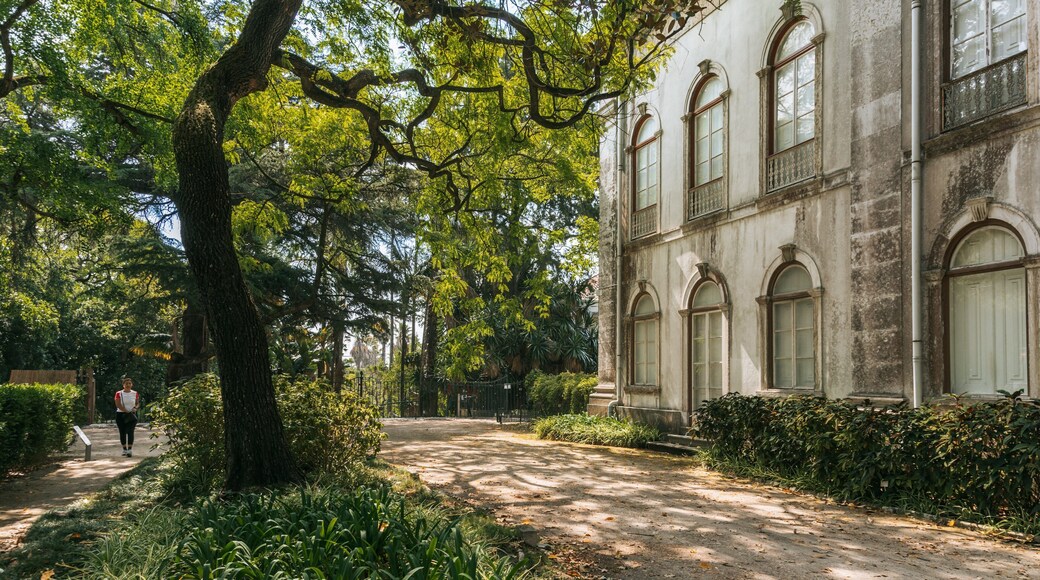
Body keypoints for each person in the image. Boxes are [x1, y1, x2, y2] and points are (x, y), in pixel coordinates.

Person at [114, 376, 141, 457]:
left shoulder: (135, 393)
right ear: (123, 385)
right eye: (126, 383)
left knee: (130, 432)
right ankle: (124, 449)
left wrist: (135, 408)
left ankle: (129, 449)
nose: (128, 385)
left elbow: (137, 403)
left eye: (129, 383)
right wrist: (125, 410)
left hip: (132, 415)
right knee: (122, 432)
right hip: (121, 414)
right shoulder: (119, 393)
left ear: (132, 385)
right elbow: (117, 404)